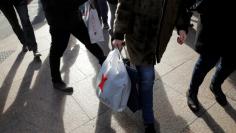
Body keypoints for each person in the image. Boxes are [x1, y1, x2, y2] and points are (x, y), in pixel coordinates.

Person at [112, 0, 189, 132]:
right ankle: (148, 120)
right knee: (147, 78)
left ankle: (140, 95)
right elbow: (125, 5)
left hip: (158, 41)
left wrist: (182, 27)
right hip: (139, 38)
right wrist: (118, 33)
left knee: (144, 78)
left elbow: (180, 6)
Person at [40, 0, 106, 92]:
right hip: (59, 21)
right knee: (57, 51)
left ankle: (104, 60)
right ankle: (56, 81)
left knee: (88, 41)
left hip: (73, 17)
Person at [186, 0, 236, 112]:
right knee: (206, 62)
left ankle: (215, 84)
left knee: (230, 62)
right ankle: (192, 92)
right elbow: (195, 5)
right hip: (213, 26)